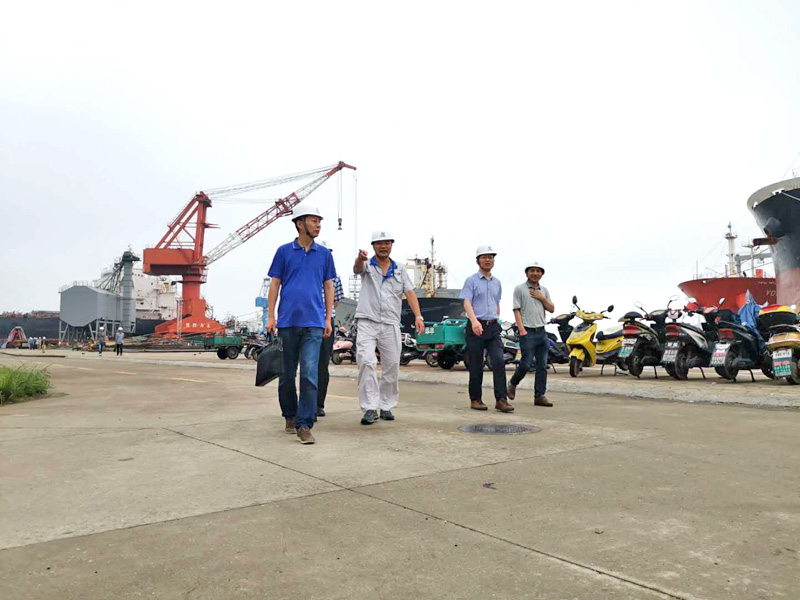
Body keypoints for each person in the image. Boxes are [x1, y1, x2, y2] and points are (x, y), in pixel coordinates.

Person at [266, 202, 336, 445]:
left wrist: (328, 319)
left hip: (314, 323)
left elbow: (329, 286)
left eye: (319, 221)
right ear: (299, 223)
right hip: (287, 322)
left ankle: (304, 424)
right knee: (286, 374)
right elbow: (275, 284)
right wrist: (271, 316)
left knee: (309, 373)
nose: (318, 225)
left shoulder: (324, 254)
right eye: (314, 220)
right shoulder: (284, 252)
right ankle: (290, 414)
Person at [353, 230, 424, 425]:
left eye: (387, 243)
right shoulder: (367, 265)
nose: (383, 246)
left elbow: (410, 292)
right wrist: (360, 259)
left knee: (392, 365)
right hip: (367, 320)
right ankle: (369, 407)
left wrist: (418, 316)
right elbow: (357, 269)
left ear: (391, 245)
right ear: (373, 246)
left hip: (390, 322)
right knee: (366, 361)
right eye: (379, 243)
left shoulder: (399, 269)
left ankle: (386, 405)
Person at [460, 245, 514, 412]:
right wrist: (474, 321)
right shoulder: (471, 281)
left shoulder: (497, 283)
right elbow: (467, 302)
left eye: (490, 257)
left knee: (498, 361)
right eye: (484, 257)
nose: (488, 260)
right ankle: (475, 399)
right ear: (478, 261)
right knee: (476, 364)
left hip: (493, 327)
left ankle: (501, 400)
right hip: (476, 325)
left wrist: (497, 318)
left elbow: (496, 302)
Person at [507, 261, 555, 406]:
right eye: (532, 270)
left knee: (542, 365)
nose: (535, 273)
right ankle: (513, 383)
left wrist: (542, 297)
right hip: (527, 331)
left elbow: (551, 309)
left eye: (538, 271)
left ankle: (539, 395)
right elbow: (516, 310)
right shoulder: (519, 289)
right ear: (527, 273)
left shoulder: (544, 290)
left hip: (542, 332)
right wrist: (521, 329)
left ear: (542, 274)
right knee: (526, 364)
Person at [315, 241, 344, 418]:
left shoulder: (335, 278)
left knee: (322, 365)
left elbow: (336, 301)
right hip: (308, 321)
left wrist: (327, 315)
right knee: (308, 363)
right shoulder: (309, 273)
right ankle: (306, 403)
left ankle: (319, 404)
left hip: (326, 321)